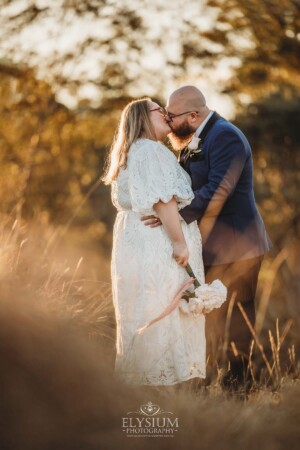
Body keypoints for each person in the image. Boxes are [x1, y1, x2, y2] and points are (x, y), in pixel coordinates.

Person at [142, 86, 272, 385]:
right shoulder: (194, 138)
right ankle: (212, 381)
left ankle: (240, 387)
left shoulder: (225, 136)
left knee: (237, 319)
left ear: (193, 115)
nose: (169, 122)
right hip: (211, 246)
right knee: (210, 315)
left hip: (238, 247)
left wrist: (172, 218)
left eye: (171, 116)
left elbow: (219, 191)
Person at [102, 98, 207, 386]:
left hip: (134, 243)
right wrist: (178, 242)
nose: (166, 113)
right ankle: (163, 384)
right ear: (142, 118)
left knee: (143, 306)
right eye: (159, 109)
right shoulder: (150, 151)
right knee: (163, 304)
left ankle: (145, 384)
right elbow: (163, 200)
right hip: (156, 245)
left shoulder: (132, 152)